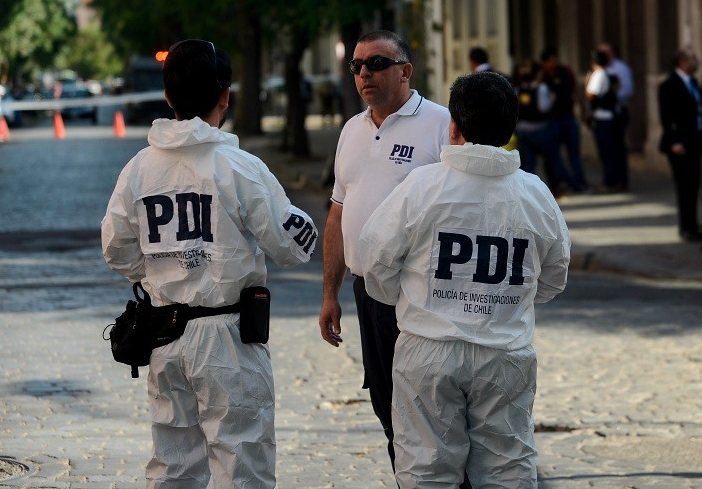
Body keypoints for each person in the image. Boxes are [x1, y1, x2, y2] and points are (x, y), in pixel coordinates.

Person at [101, 39, 318, 488]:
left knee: (173, 464)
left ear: (167, 97)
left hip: (164, 332)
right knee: (242, 463)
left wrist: (165, 269)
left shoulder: (139, 169)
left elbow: (116, 249)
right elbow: (293, 247)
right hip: (228, 338)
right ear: (225, 96)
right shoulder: (239, 168)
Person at [358, 71, 571, 488]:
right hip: (504, 352)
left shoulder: (422, 186)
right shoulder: (536, 195)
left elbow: (375, 261)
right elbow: (553, 278)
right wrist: (505, 302)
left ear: (453, 127)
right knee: (508, 470)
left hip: (428, 350)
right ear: (510, 129)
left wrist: (415, 298)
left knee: (426, 471)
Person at [318, 29, 450, 473]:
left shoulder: (440, 125)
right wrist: (330, 294)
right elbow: (338, 214)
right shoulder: (352, 131)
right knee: (386, 403)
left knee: (429, 412)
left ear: (405, 71)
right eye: (357, 66)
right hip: (366, 292)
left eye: (376, 63)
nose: (364, 74)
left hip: (420, 293)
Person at [658, 47, 702, 242]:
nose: (696, 62)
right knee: (685, 185)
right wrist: (675, 140)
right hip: (679, 144)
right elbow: (667, 116)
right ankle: (686, 227)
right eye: (693, 58)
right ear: (681, 62)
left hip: (694, 141)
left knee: (694, 184)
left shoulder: (693, 82)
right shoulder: (669, 84)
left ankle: (692, 223)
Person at [513, 59, 571, 196]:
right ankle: (555, 188)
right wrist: (552, 99)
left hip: (524, 129)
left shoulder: (518, 89)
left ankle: (526, 192)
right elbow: (543, 107)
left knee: (528, 164)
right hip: (542, 129)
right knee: (550, 160)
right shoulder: (541, 88)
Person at [540, 46, 590, 192]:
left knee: (574, 152)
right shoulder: (542, 75)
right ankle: (560, 182)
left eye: (555, 60)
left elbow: (576, 90)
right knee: (554, 155)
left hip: (568, 117)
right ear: (545, 62)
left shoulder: (565, 71)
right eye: (550, 61)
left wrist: (583, 110)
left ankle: (578, 180)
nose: (554, 63)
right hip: (552, 120)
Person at [585, 49, 628, 192]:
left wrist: (587, 81)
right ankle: (621, 181)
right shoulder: (612, 73)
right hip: (614, 115)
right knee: (617, 151)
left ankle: (610, 182)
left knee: (606, 152)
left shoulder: (599, 74)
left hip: (603, 117)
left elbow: (591, 94)